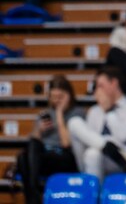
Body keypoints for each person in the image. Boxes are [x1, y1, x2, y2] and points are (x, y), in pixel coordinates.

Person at [67, 65, 126, 179]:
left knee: (94, 153)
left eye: (101, 85)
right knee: (74, 122)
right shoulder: (94, 111)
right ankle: (107, 147)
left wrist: (108, 111)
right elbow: (89, 140)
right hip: (89, 160)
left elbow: (123, 136)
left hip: (121, 161)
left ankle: (94, 191)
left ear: (114, 83)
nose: (97, 90)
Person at [14, 75, 84, 204]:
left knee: (25, 161)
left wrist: (59, 114)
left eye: (60, 97)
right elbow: (33, 145)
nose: (57, 101)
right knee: (23, 157)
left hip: (65, 157)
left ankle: (33, 197)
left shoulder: (77, 113)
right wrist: (39, 130)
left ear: (69, 95)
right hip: (44, 157)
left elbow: (66, 143)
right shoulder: (45, 113)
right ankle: (34, 194)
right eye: (54, 97)